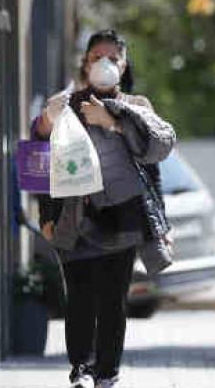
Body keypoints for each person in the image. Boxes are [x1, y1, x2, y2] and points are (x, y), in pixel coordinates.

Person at [35, 30, 177, 388]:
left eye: (113, 58)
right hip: (75, 214)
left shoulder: (138, 106)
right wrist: (46, 216)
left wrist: (162, 227)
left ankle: (107, 373)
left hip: (123, 214)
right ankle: (81, 367)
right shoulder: (66, 105)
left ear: (124, 64)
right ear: (85, 62)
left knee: (113, 299)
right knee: (80, 296)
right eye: (97, 56)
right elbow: (41, 159)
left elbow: (152, 164)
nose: (104, 64)